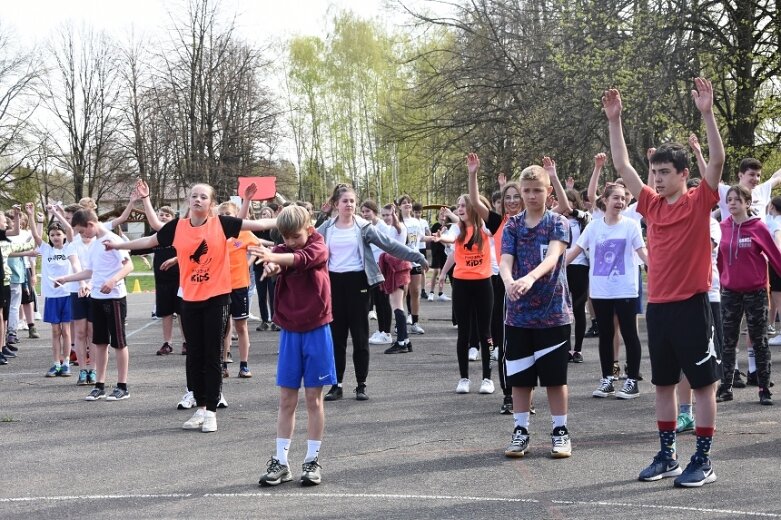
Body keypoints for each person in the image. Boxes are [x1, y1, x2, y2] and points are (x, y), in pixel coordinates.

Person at [604, 77, 724, 487]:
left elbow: (718, 161)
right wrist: (615, 121)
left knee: (704, 385)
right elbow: (622, 166)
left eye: (664, 172)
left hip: (692, 306)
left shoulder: (698, 200)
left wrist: (707, 114)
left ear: (683, 175)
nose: (655, 178)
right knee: (663, 386)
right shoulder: (650, 206)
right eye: (654, 171)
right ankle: (668, 455)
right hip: (658, 307)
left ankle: (703, 460)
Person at [105, 182, 275, 431]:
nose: (197, 200)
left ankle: (212, 412)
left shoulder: (221, 224)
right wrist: (118, 245)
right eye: (194, 196)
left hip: (217, 298)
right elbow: (150, 238)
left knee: (211, 355)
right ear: (187, 201)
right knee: (193, 355)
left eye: (203, 197)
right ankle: (200, 407)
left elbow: (259, 225)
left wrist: (293, 219)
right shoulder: (179, 227)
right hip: (190, 300)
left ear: (211, 203)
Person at [317, 184, 428, 402]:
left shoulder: (363, 227)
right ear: (336, 205)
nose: (349, 205)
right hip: (334, 284)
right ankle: (336, 385)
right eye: (345, 201)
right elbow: (305, 242)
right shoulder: (327, 228)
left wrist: (417, 256)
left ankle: (361, 384)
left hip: (359, 282)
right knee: (337, 338)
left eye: (352, 201)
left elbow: (390, 245)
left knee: (360, 337)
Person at [252, 205, 336, 487]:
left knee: (314, 398)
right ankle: (281, 461)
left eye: (295, 236)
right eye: (285, 237)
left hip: (317, 329)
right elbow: (281, 261)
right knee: (286, 400)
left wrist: (277, 257)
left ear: (309, 228)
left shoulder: (318, 245)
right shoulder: (281, 248)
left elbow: (300, 258)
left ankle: (311, 461)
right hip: (289, 330)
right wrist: (273, 264)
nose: (289, 242)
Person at [500, 161, 573, 460]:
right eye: (526, 191)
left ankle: (560, 432)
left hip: (553, 312)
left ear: (548, 192)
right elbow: (505, 259)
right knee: (520, 378)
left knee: (555, 379)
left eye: (536, 191)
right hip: (518, 315)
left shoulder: (557, 223)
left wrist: (530, 277)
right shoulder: (513, 225)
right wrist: (508, 281)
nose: (531, 196)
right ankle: (520, 430)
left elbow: (553, 257)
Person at [566, 183, 648, 399]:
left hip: (626, 290)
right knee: (606, 336)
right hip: (601, 292)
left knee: (630, 334)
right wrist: (549, 270)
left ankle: (631, 381)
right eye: (616, 198)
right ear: (605, 200)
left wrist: (659, 268)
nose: (620, 202)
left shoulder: (631, 226)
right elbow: (574, 252)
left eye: (623, 198)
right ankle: (608, 378)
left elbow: (643, 252)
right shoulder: (593, 226)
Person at [54, 208, 134, 401]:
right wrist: (66, 278)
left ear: (90, 224)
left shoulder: (112, 239)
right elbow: (90, 271)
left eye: (82, 231)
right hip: (96, 298)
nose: (82, 235)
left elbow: (128, 266)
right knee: (99, 342)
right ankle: (100, 385)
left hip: (114, 298)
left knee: (119, 342)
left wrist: (113, 280)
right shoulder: (94, 244)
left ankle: (122, 386)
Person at [716, 184, 779, 405]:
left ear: (747, 203)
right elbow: (720, 260)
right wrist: (723, 281)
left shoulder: (758, 227)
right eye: (729, 199)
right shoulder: (723, 226)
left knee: (759, 341)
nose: (732, 203)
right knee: (728, 340)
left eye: (737, 200)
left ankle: (764, 389)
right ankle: (726, 387)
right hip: (730, 292)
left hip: (755, 292)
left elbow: (775, 257)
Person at [25, 203, 81, 378]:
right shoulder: (46, 249)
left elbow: (71, 230)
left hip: (66, 294)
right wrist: (31, 214)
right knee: (55, 331)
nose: (56, 237)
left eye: (58, 234)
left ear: (63, 236)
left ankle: (66, 363)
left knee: (66, 331)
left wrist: (56, 213)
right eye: (52, 234)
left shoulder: (69, 247)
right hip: (52, 296)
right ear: (49, 236)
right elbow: (35, 235)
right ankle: (56, 363)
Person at [218, 201, 260, 378]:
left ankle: (244, 364)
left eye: (229, 213)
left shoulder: (243, 232)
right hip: (221, 286)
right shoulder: (217, 234)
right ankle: (224, 363)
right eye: (223, 214)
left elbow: (257, 248)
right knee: (224, 327)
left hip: (239, 284)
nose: (226, 216)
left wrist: (247, 264)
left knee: (241, 326)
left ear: (236, 215)